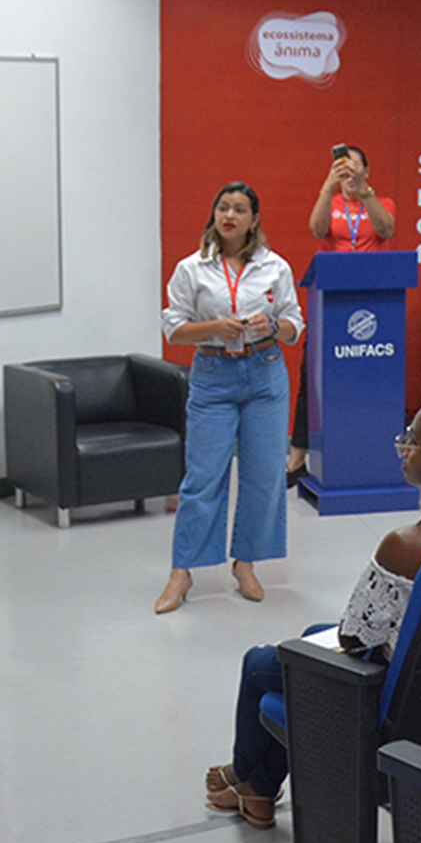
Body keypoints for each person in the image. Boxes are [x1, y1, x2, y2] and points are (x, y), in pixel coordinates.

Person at [208, 396, 421, 828]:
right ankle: (256, 786)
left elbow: (354, 637)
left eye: (414, 441)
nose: (404, 447)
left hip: (391, 706)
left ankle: (248, 778)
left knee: (262, 662)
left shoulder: (405, 545)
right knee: (313, 634)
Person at [157, 181, 303, 615]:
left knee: (263, 476)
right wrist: (215, 328)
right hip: (213, 376)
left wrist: (272, 327)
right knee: (202, 479)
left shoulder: (275, 267)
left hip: (265, 375)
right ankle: (183, 571)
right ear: (214, 215)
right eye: (224, 207)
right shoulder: (192, 268)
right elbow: (174, 327)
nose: (230, 216)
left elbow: (294, 322)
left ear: (254, 220)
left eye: (240, 209)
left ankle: (245, 563)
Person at [286, 144, 398, 484]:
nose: (348, 174)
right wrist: (327, 187)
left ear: (366, 170)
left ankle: (372, 451)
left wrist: (364, 192)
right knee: (312, 380)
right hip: (329, 305)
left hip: (372, 304)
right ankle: (297, 457)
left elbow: (387, 229)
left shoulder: (381, 202)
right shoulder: (331, 203)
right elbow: (318, 230)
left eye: (354, 167)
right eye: (342, 168)